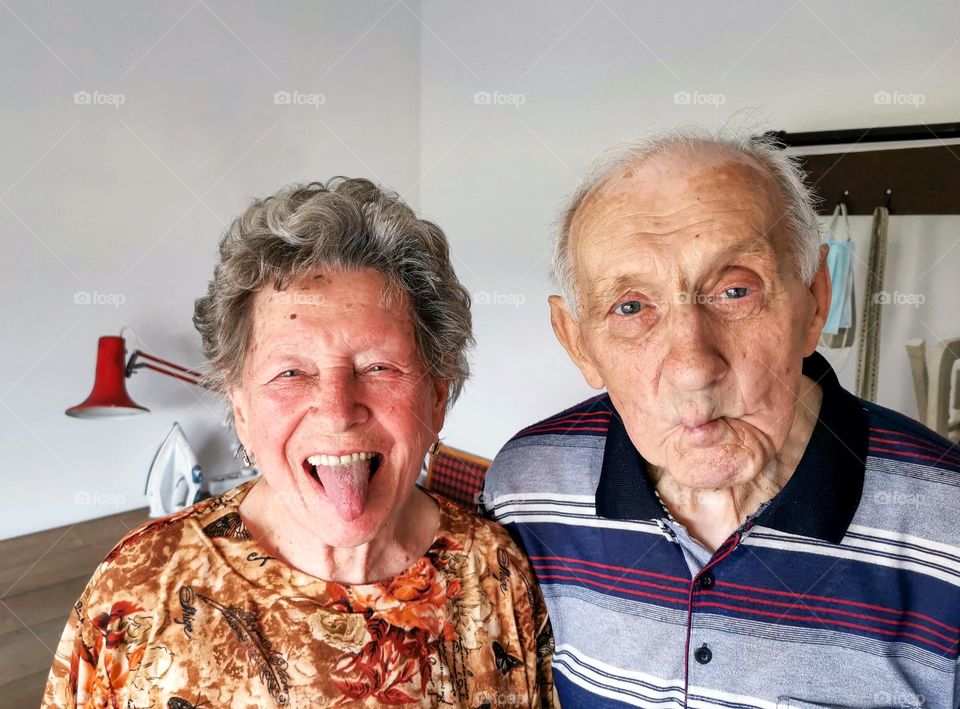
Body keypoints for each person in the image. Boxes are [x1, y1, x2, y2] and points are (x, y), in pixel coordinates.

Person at [483, 129, 960, 707]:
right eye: (631, 306)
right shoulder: (526, 492)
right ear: (576, 341)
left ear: (814, 298)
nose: (693, 368)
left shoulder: (948, 519)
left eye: (735, 291)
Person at [43, 179, 555, 708]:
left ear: (437, 398)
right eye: (290, 372)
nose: (337, 411)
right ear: (240, 408)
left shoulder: (497, 572)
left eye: (379, 366)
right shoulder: (138, 585)